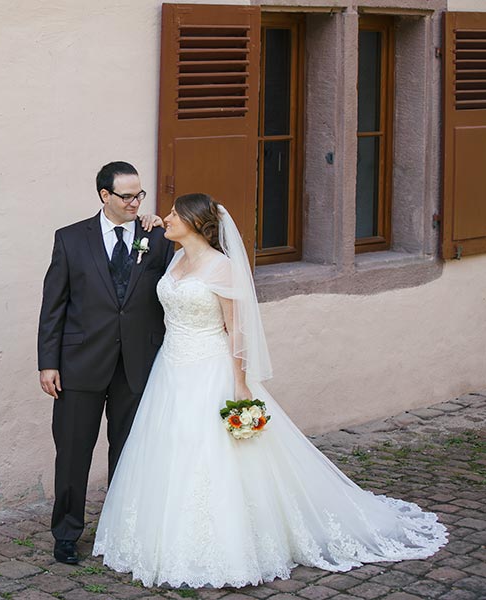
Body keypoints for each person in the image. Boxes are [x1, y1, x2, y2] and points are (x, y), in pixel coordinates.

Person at [93, 193, 448, 588]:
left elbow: (236, 330)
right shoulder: (176, 258)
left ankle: (222, 544)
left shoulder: (221, 267)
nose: (167, 218)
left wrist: (240, 384)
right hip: (170, 367)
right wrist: (150, 224)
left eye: (176, 214)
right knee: (168, 447)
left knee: (210, 453)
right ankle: (158, 537)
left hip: (209, 368)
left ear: (195, 222)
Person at [37, 161, 175, 564]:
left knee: (129, 452)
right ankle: (66, 533)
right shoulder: (70, 239)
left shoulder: (158, 237)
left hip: (137, 363)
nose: (135, 203)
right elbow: (53, 306)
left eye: (139, 195)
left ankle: (122, 530)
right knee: (73, 453)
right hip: (79, 364)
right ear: (104, 196)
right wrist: (48, 362)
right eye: (127, 196)